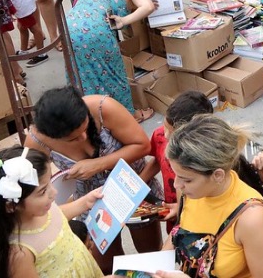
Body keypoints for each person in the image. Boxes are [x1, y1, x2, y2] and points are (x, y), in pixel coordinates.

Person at [26, 87, 162, 273]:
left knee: (151, 254)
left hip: (133, 188)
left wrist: (97, 164)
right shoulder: (37, 141)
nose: (83, 137)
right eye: (73, 139)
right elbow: (33, 184)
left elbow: (143, 145)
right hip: (91, 204)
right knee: (106, 264)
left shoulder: (103, 108)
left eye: (85, 128)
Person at [162, 114, 263, 277]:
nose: (176, 184)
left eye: (187, 180)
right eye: (175, 174)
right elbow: (180, 229)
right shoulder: (189, 191)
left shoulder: (251, 218)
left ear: (217, 175)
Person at [0, 146, 103, 278]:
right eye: (43, 191)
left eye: (49, 182)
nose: (54, 192)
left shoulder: (43, 210)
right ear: (11, 206)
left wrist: (85, 202)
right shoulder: (20, 253)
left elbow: (57, 215)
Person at [67, 0, 164, 121]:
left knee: (81, 73)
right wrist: (124, 20)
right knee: (114, 74)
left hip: (68, 28)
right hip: (95, 32)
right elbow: (148, 6)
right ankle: (129, 116)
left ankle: (87, 116)